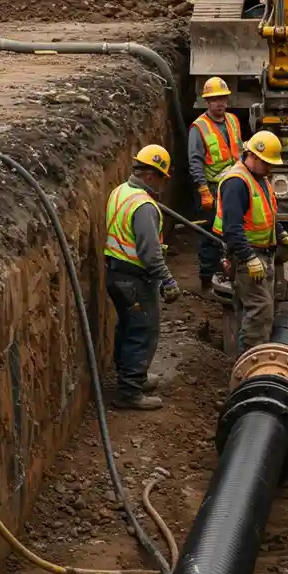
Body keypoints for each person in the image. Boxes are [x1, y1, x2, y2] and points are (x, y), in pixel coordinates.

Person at [103, 144, 181, 410]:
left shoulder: (120, 191)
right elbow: (150, 253)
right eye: (161, 177)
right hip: (134, 279)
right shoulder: (144, 206)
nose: (162, 183)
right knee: (142, 331)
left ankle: (132, 377)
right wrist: (168, 280)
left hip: (116, 273)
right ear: (150, 175)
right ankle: (130, 392)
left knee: (127, 327)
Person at [212, 130, 288, 350]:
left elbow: (267, 213)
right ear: (252, 156)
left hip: (262, 254)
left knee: (256, 310)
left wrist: (282, 234)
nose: (270, 168)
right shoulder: (236, 183)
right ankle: (253, 364)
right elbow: (232, 228)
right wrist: (249, 257)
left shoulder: (258, 178)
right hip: (248, 258)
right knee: (259, 311)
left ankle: (252, 358)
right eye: (266, 163)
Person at [188, 76, 243, 293]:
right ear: (207, 102)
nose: (220, 103)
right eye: (215, 99)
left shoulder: (233, 121)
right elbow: (195, 160)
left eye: (223, 98)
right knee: (210, 234)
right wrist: (203, 189)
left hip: (231, 184)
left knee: (231, 230)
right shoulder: (199, 127)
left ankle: (229, 272)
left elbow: (237, 149)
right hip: (211, 187)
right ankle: (206, 279)